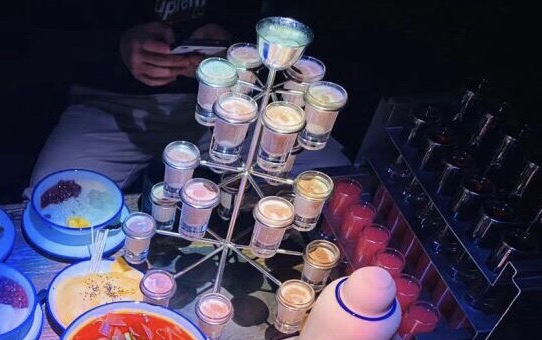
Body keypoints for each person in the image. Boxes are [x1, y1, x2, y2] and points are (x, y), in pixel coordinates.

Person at [27, 1, 349, 195]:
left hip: (237, 101)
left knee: (335, 182)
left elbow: (291, 22)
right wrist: (120, 45)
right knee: (51, 198)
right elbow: (44, 35)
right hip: (111, 103)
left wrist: (234, 47)